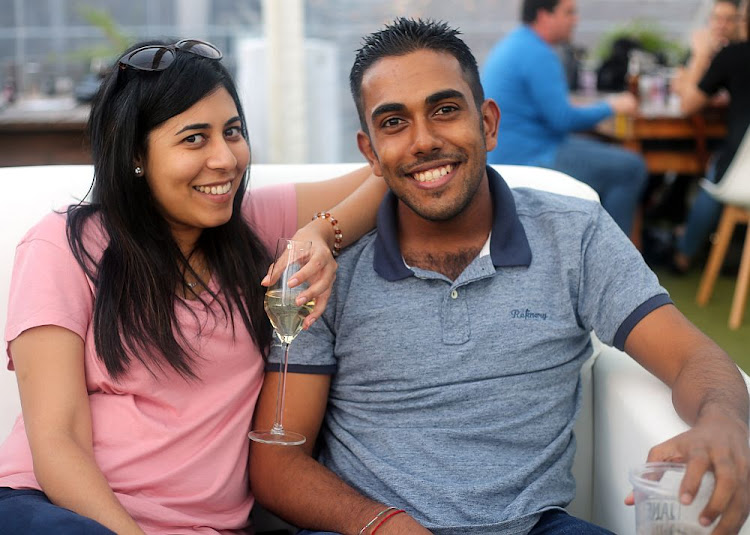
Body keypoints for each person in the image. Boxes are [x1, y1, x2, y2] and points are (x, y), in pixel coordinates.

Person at [249, 18, 750, 535]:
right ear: (371, 152)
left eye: (444, 110)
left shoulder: (573, 235)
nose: (423, 141)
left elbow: (692, 356)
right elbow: (277, 463)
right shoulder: (328, 269)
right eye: (394, 123)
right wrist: (382, 524)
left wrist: (724, 424)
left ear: (487, 123)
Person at [0, 39, 387, 534]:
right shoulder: (64, 245)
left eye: (233, 132)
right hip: (62, 513)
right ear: (136, 152)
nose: (225, 159)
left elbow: (391, 173)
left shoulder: (254, 225)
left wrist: (319, 233)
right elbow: (58, 442)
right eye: (194, 139)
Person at [481, 0, 647, 238]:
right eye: (569, 12)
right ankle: (614, 259)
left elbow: (552, 111)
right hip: (532, 158)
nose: (576, 19)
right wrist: (612, 106)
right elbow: (563, 119)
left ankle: (590, 241)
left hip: (505, 156)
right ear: (544, 16)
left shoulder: (517, 44)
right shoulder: (538, 53)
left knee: (609, 156)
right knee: (631, 167)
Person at [671, 0, 750, 273]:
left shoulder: (734, 55)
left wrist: (702, 54)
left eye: (734, 18)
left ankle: (684, 254)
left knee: (718, 169)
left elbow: (687, 104)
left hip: (740, 171)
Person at [672, 0, 742, 99]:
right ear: (710, 20)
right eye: (717, 18)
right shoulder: (697, 49)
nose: (721, 25)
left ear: (738, 23)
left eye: (729, 19)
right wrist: (700, 55)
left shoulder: (740, 53)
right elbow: (677, 86)